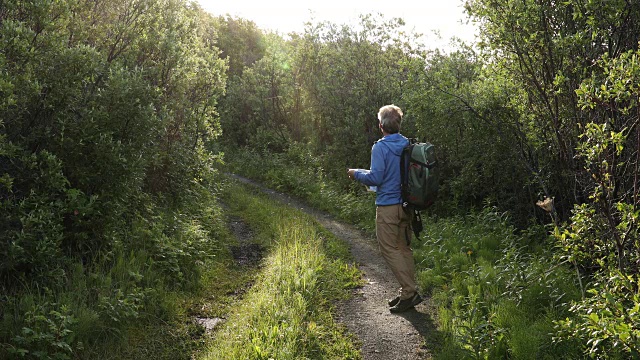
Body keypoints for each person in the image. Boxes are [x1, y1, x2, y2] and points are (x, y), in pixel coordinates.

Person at [347, 104, 423, 313]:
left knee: (389, 248)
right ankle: (408, 290)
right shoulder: (407, 144)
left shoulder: (380, 147)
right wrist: (364, 171)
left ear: (381, 126)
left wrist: (355, 174)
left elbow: (377, 177)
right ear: (398, 124)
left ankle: (409, 292)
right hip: (406, 206)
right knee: (403, 248)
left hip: (388, 207)